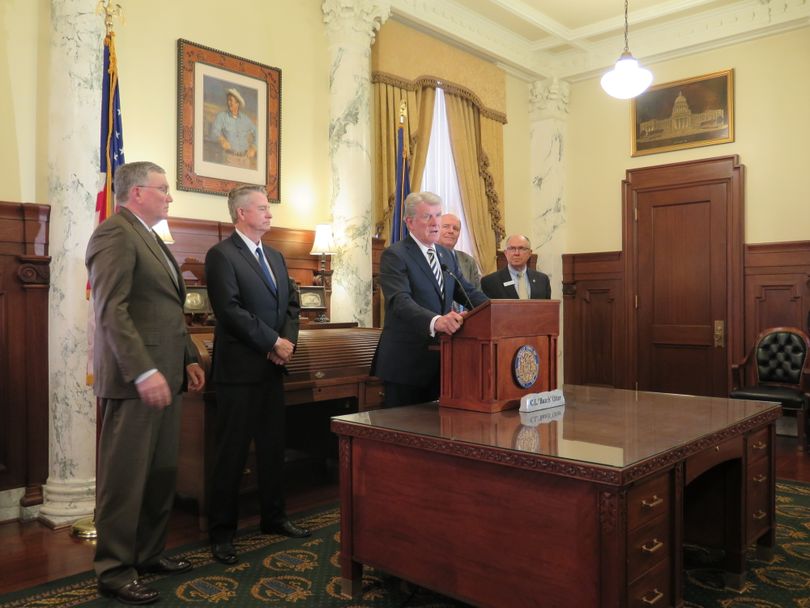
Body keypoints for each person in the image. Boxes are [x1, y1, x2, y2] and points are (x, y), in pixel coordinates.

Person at [86, 161, 205, 605]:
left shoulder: (151, 236)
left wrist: (188, 358)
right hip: (135, 381)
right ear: (136, 193)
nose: (169, 197)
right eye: (163, 189)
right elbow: (111, 310)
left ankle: (150, 553)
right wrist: (142, 370)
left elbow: (167, 310)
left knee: (160, 473)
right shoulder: (115, 233)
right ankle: (114, 570)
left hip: (167, 375)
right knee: (125, 479)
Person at [204, 184, 308, 566]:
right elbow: (229, 310)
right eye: (262, 208)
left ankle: (274, 517)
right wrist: (271, 343)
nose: (269, 214)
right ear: (242, 214)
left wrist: (287, 343)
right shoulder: (221, 255)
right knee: (231, 454)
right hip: (240, 370)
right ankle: (222, 533)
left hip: (273, 368)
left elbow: (292, 305)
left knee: (272, 448)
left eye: (269, 208)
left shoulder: (277, 257)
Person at [372, 192, 488, 408]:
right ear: (410, 222)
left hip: (441, 363)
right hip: (405, 365)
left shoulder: (446, 255)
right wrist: (437, 321)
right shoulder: (395, 255)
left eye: (438, 215)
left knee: (435, 432)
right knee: (404, 434)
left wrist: (497, 312)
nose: (436, 223)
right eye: (428, 217)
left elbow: (468, 292)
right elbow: (400, 302)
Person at [481, 234, 551, 299]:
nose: (516, 253)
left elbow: (548, 309)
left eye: (521, 248)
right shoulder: (490, 282)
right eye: (512, 248)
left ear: (530, 253)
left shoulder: (542, 280)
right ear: (505, 253)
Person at [209, 87, 258, 168]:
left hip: (245, 160)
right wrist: (221, 139)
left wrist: (254, 147)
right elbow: (214, 131)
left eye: (231, 100)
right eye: (228, 100)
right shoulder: (222, 116)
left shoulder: (246, 119)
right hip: (229, 158)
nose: (229, 103)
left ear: (237, 103)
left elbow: (257, 132)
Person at [438, 213, 481, 290]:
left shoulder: (469, 261)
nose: (451, 231)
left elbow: (476, 292)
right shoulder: (426, 256)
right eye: (446, 226)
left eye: (455, 229)